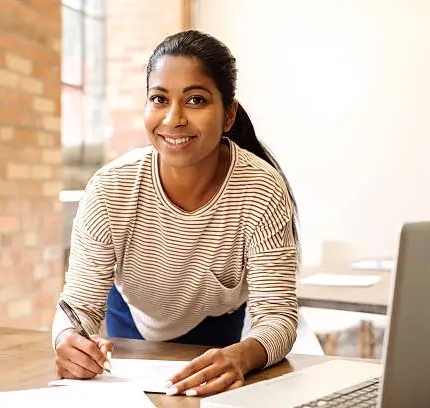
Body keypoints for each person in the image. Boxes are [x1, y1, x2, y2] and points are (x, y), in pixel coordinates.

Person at [53, 29, 300, 397]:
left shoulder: (260, 189)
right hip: (132, 314)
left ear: (229, 114)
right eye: (159, 98)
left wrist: (243, 356)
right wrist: (68, 340)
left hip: (216, 326)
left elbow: (277, 316)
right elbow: (77, 309)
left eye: (196, 100)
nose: (173, 118)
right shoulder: (110, 189)